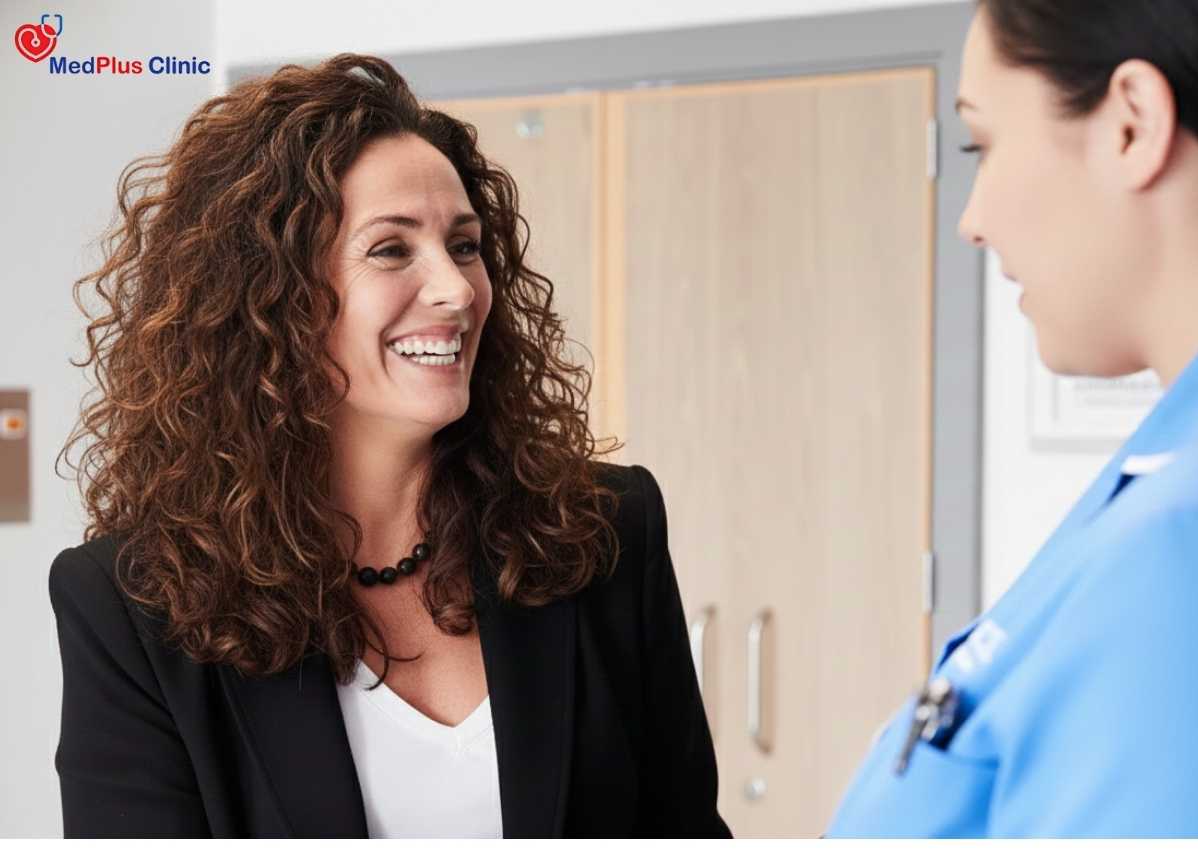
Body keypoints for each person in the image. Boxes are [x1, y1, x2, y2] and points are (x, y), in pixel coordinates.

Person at [48, 53, 731, 839]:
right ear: (267, 298)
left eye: (465, 245)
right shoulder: (133, 603)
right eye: (391, 249)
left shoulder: (604, 530)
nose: (455, 289)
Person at [826, 0, 1198, 837]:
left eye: (981, 146)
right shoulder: (1160, 468)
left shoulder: (1181, 544)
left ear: (1132, 126)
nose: (973, 219)